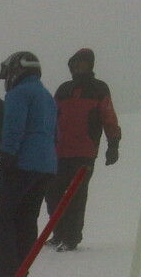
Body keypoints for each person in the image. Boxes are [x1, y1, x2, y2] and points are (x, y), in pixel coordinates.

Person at [0, 51, 57, 277]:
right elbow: (55, 132)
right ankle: (21, 270)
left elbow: (14, 128)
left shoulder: (19, 94)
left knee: (0, 215)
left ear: (17, 71)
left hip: (23, 162)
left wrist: (6, 156)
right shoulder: (46, 96)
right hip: (45, 165)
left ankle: (6, 269)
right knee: (26, 217)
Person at [44, 48, 122, 251]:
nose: (78, 66)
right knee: (53, 193)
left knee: (76, 196)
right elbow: (50, 117)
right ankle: (59, 233)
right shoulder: (63, 89)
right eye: (75, 63)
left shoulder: (99, 88)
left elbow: (108, 116)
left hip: (85, 152)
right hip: (59, 151)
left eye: (83, 63)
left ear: (90, 66)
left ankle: (71, 237)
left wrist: (113, 143)